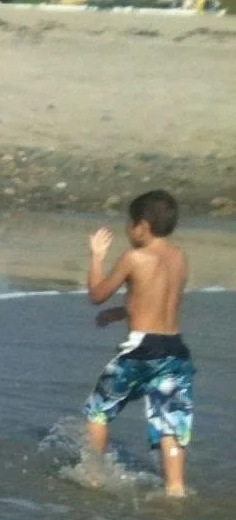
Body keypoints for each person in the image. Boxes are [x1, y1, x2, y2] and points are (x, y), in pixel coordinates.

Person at [84, 189, 194, 498]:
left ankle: (93, 476)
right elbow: (158, 302)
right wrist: (119, 313)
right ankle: (176, 489)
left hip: (140, 349)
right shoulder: (179, 257)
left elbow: (96, 294)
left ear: (141, 226)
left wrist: (96, 258)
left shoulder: (134, 257)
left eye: (129, 225)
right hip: (173, 350)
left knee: (99, 410)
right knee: (171, 422)